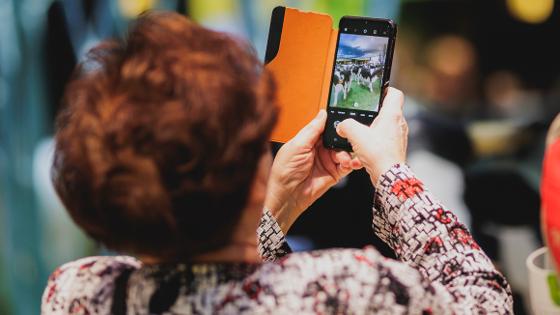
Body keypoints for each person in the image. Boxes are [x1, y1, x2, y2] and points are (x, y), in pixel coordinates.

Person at [42, 12, 513, 314]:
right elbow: (486, 302)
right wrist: (393, 174)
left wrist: (276, 211)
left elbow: (202, 280)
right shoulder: (344, 289)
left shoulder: (79, 293)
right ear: (250, 179)